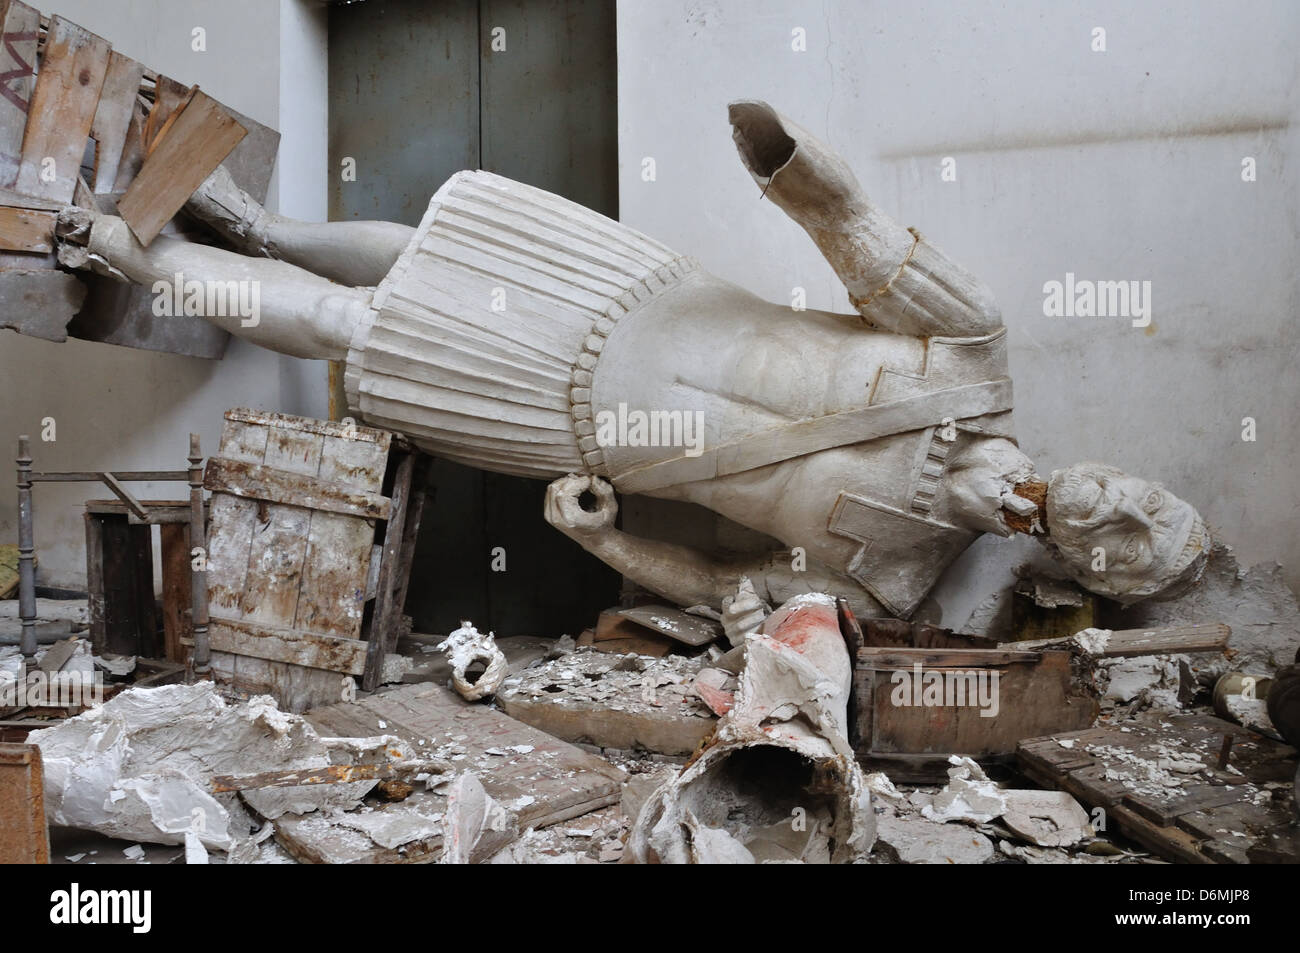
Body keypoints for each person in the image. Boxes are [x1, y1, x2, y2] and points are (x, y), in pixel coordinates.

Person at [56, 100, 1210, 619]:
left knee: (356, 331)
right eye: (1142, 499)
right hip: (631, 300)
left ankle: (143, 262)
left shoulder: (891, 577)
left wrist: (606, 539)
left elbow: (729, 591)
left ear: (1081, 572)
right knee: (423, 246)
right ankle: (260, 225)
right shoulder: (973, 345)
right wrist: (799, 170)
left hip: (563, 418)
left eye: (1121, 538)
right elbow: (855, 237)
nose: (1111, 504)